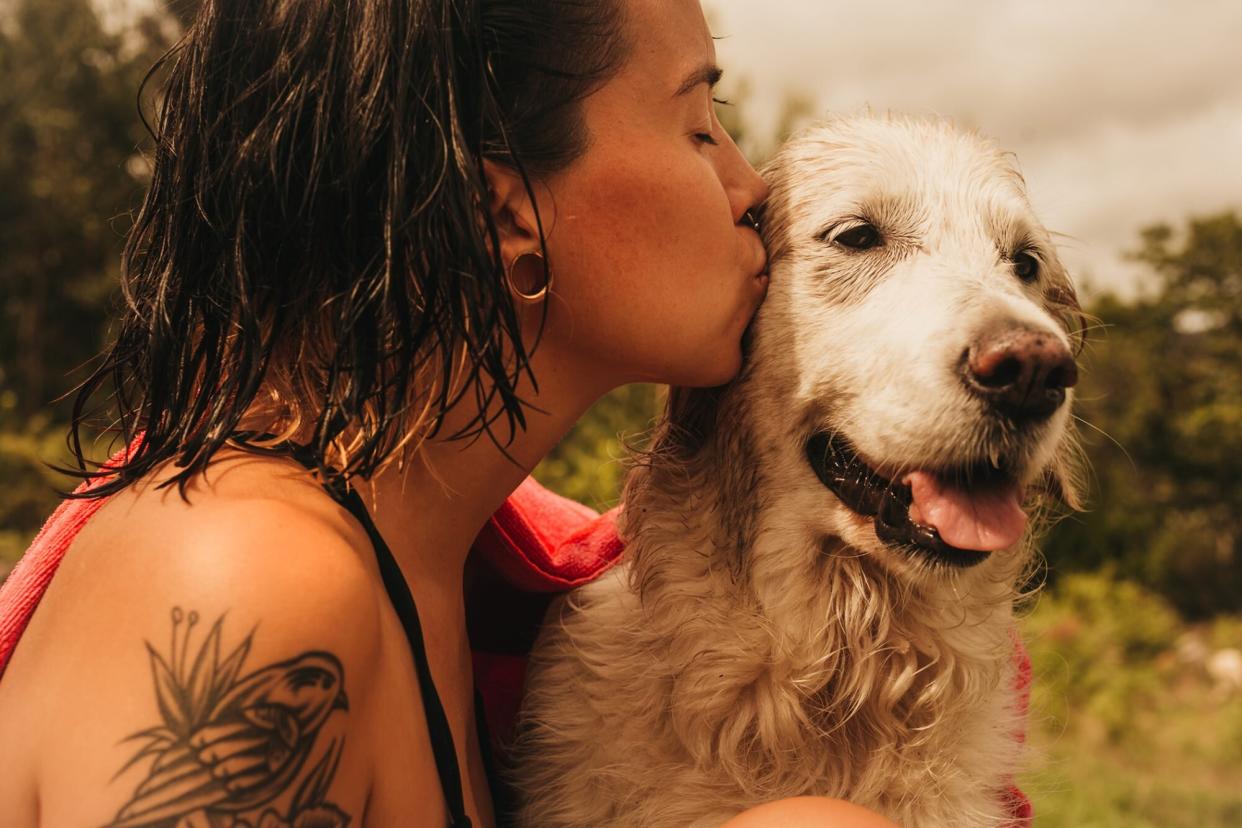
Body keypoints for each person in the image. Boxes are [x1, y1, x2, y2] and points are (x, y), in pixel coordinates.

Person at [0, 0, 898, 825]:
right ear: (504, 211)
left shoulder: (434, 574)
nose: (754, 191)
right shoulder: (246, 582)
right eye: (703, 125)